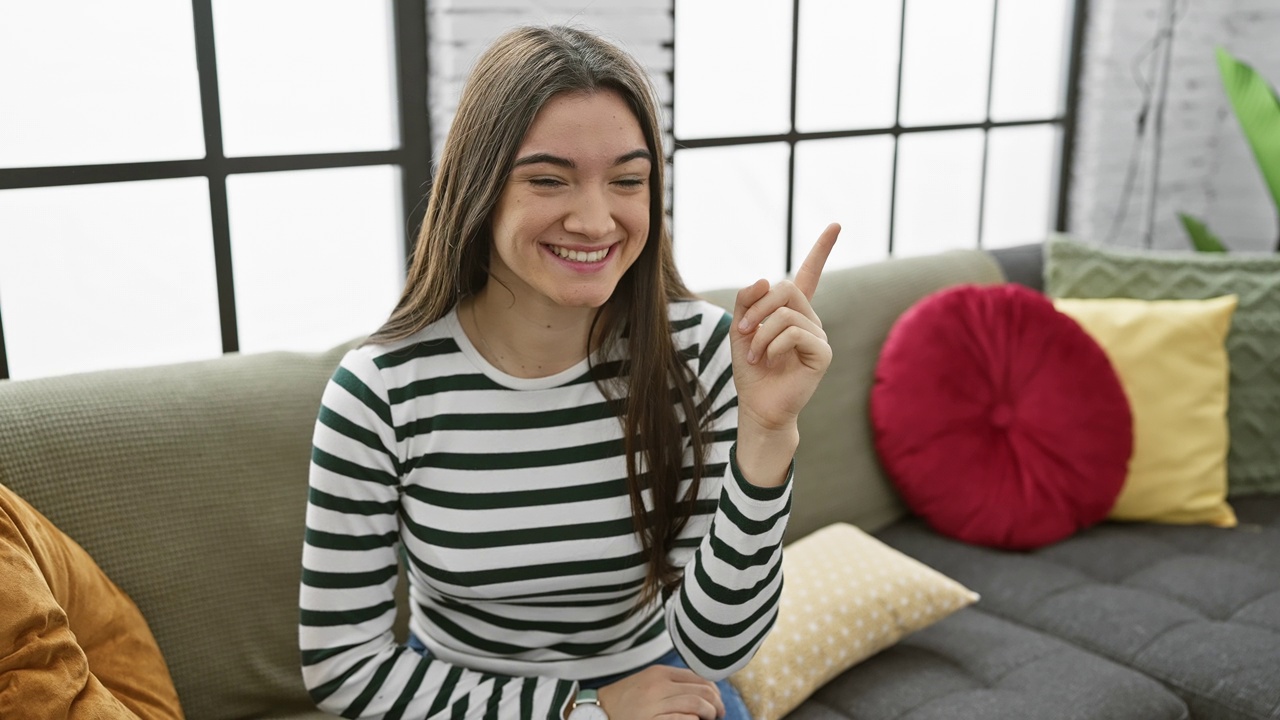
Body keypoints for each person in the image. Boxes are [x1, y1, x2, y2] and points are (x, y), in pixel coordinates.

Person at [298, 25, 837, 720]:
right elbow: (343, 664)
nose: (594, 219)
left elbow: (715, 650)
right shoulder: (380, 393)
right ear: (480, 187)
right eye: (549, 179)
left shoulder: (704, 354)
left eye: (628, 180)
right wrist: (583, 708)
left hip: (661, 687)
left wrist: (769, 433)